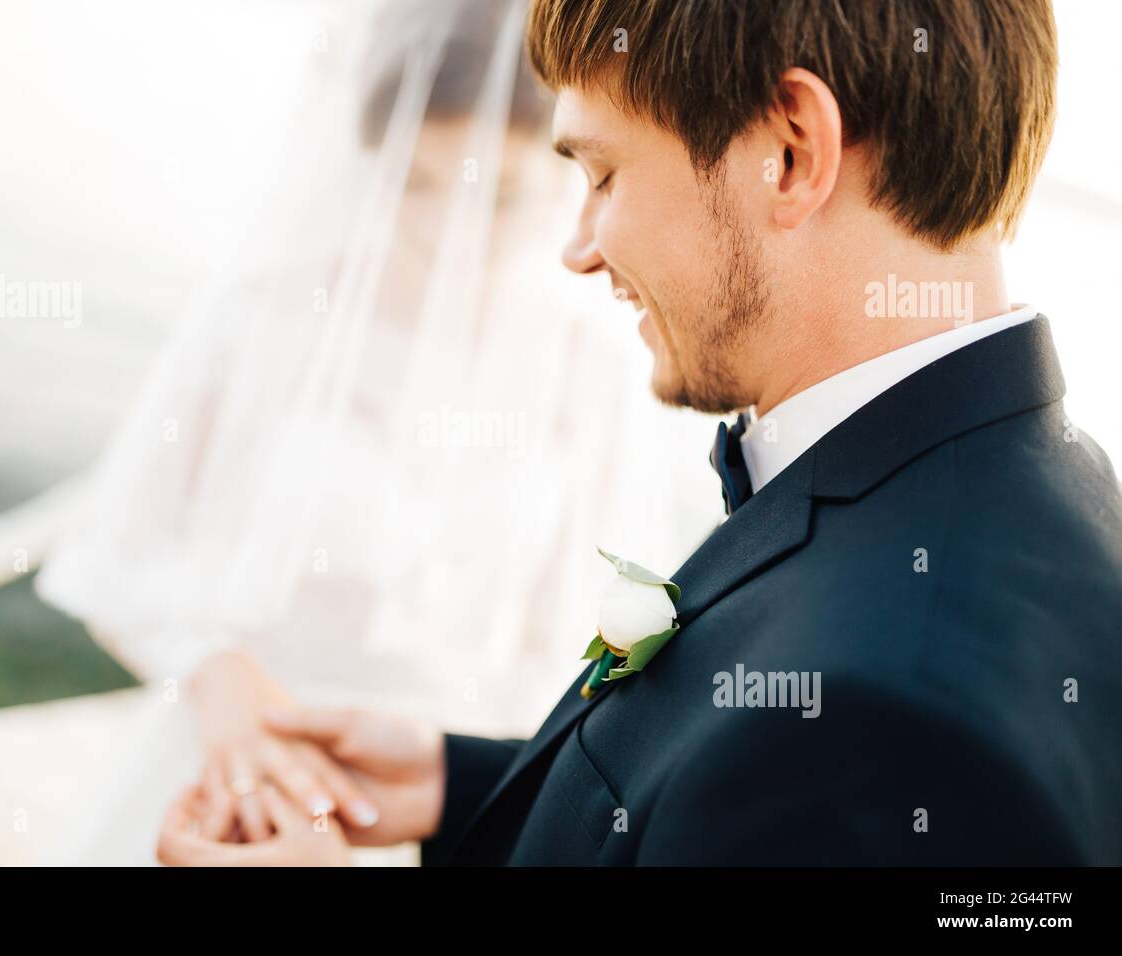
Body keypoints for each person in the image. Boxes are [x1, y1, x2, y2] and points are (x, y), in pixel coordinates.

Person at [158, 0, 1122, 866]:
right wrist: (466, 788)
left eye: (603, 172)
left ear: (788, 151)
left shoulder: (883, 722)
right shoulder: (1037, 485)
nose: (578, 248)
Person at [37, 0, 709, 864]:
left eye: (501, 197)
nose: (449, 233)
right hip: (231, 768)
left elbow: (602, 643)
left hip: (439, 796)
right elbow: (117, 554)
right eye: (417, 183)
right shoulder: (262, 316)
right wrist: (216, 678)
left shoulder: (593, 372)